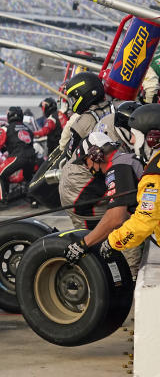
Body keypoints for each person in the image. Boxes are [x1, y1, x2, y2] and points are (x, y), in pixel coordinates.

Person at [81, 105, 160, 268]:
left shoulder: (153, 172)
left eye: (134, 136)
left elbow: (144, 220)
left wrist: (111, 242)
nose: (131, 141)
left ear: (152, 138)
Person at [63, 131, 144, 275]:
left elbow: (116, 217)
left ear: (95, 155)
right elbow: (123, 213)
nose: (87, 167)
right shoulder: (127, 159)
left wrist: (83, 244)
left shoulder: (118, 168)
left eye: (85, 161)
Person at [57, 71, 114, 229]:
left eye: (74, 98)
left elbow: (70, 154)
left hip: (86, 187)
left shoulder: (84, 121)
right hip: (100, 181)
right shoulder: (113, 108)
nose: (73, 102)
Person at [0, 106, 36, 209]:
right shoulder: (28, 128)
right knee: (29, 178)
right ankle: (34, 200)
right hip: (31, 157)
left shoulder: (6, 128)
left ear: (9, 115)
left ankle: (0, 201)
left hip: (17, 157)